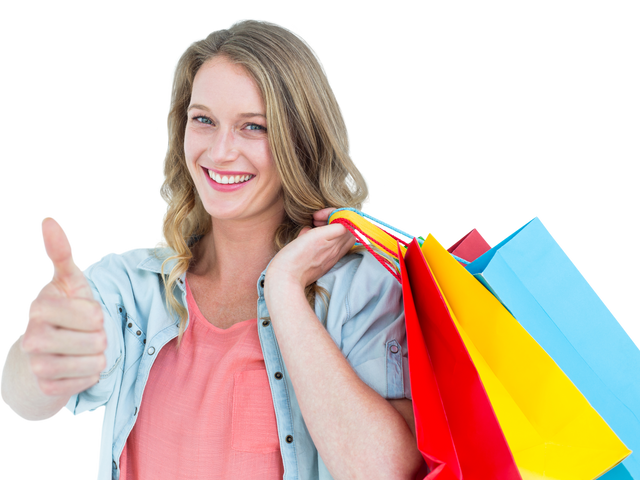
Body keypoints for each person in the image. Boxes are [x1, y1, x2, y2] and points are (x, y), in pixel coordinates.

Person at [0, 14, 426, 480]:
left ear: (300, 141)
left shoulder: (364, 292)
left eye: (253, 127)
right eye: (203, 120)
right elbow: (22, 400)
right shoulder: (135, 286)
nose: (220, 152)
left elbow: (388, 471)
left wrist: (284, 290)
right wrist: (41, 352)